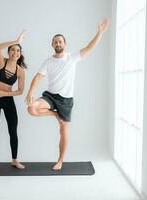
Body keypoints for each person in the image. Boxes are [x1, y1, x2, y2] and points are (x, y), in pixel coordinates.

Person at [25, 19, 110, 170]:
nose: (58, 44)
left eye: (60, 41)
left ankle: (60, 160)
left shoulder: (72, 57)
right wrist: (31, 91)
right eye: (55, 42)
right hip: (50, 96)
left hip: (66, 101)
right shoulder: (48, 61)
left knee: (63, 130)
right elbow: (38, 77)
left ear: (65, 44)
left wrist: (100, 32)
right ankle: (55, 115)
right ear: (52, 45)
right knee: (31, 108)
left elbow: (90, 47)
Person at [0, 31, 27, 172]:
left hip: (7, 100)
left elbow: (20, 91)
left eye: (18, 50)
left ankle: (14, 160)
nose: (15, 52)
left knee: (13, 130)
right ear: (9, 52)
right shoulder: (0, 62)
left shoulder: (20, 71)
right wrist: (16, 41)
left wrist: (3, 93)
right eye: (13, 50)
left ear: (20, 54)